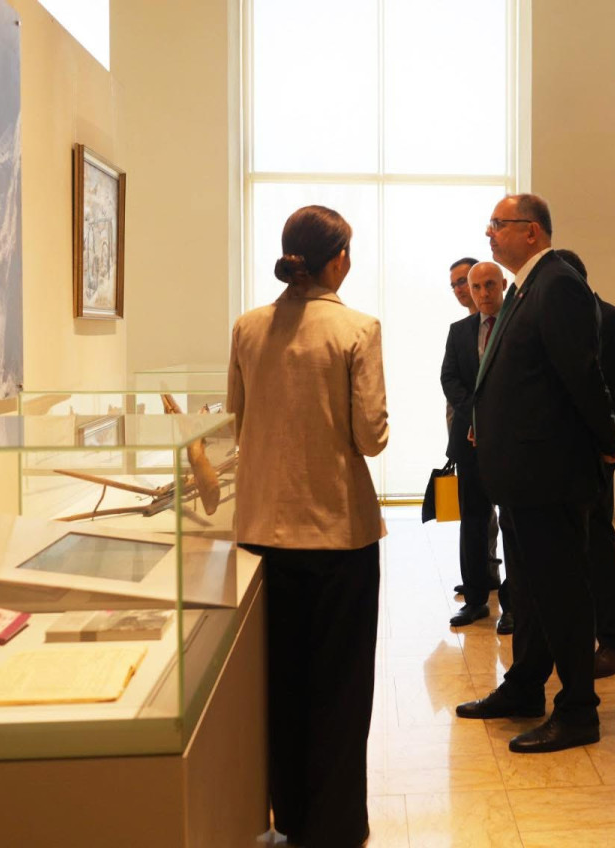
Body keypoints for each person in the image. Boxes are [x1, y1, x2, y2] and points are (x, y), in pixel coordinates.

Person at [228, 205, 389, 848]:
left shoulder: (248, 327)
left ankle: (289, 818)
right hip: (338, 533)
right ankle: (337, 827)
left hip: (261, 529)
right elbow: (371, 437)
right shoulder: (358, 329)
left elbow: (236, 422)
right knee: (341, 690)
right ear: (339, 259)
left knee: (281, 686)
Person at [454, 193, 615, 754]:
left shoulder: (557, 285)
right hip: (522, 474)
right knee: (528, 591)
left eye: (498, 224)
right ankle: (525, 686)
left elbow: (582, 373)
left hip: (549, 474)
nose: (489, 233)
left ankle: (577, 710)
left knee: (561, 593)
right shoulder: (526, 287)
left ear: (531, 231)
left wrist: (606, 440)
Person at [553, 248, 615, 678]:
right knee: (576, 547)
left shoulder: (609, 319)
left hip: (599, 450)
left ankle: (614, 640)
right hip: (569, 452)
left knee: (599, 543)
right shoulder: (576, 318)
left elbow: (600, 389)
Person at [440, 260, 513, 631]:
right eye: (476, 287)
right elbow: (450, 378)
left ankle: (515, 603)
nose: (483, 293)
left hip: (512, 440)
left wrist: (493, 418)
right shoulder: (459, 331)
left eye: (490, 285)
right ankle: (475, 600)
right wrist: (475, 416)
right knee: (472, 520)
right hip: (470, 443)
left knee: (513, 522)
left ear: (503, 285)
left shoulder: (517, 322)